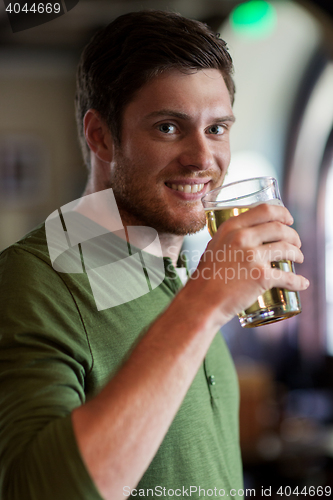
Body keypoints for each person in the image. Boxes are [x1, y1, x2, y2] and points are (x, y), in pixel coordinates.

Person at [0, 10, 308, 500]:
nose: (203, 159)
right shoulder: (30, 280)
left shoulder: (176, 276)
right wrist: (206, 304)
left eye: (217, 129)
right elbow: (41, 490)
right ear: (100, 135)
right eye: (168, 127)